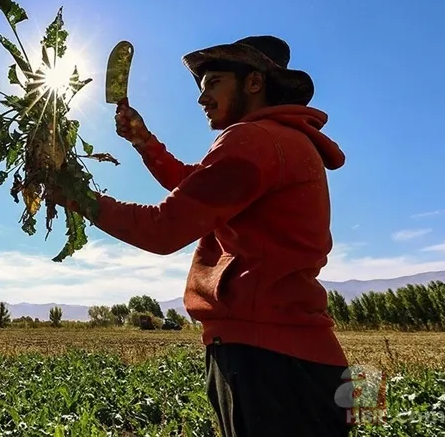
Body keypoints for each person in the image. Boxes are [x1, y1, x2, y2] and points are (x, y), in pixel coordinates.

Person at [48, 36, 354, 436]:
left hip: (270, 363)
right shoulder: (284, 141)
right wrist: (145, 142)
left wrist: (78, 197)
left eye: (213, 82)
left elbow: (165, 229)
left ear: (254, 83)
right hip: (307, 360)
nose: (201, 98)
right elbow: (200, 187)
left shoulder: (252, 140)